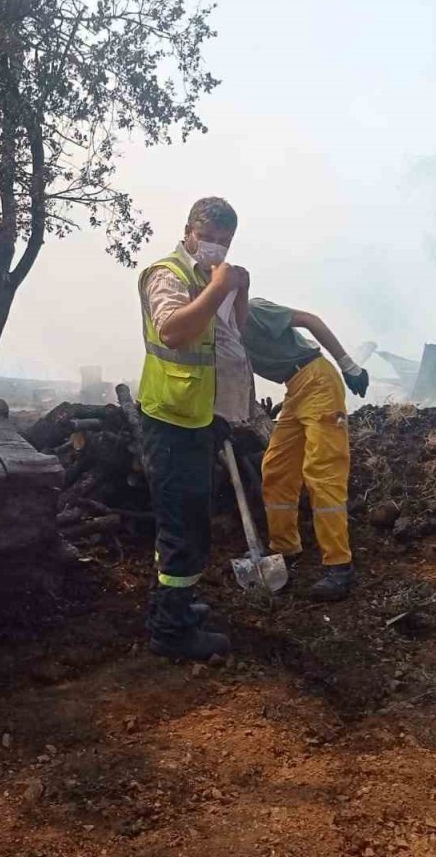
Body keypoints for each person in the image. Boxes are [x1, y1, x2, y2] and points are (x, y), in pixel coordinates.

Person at [138, 196, 249, 660]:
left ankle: (174, 606)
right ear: (188, 231)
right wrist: (219, 288)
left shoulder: (209, 278)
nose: (215, 246)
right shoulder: (168, 275)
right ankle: (171, 632)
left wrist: (238, 292)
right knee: (182, 531)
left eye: (225, 241)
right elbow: (172, 331)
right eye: (207, 237)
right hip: (169, 421)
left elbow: (233, 336)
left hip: (198, 418)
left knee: (189, 525)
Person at [241, 300, 369, 601]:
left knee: (322, 472)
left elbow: (311, 320)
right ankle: (285, 548)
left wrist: (348, 365)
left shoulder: (254, 310)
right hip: (295, 389)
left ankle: (339, 566)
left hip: (317, 379)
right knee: (276, 469)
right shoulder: (221, 331)